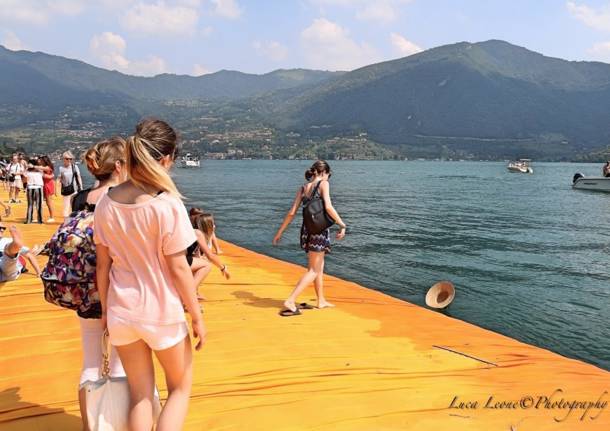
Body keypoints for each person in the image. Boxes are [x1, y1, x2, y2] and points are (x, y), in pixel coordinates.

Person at [94, 119, 205, 430]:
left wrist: (106, 312)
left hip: (121, 312)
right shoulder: (166, 205)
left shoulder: (107, 202)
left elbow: (103, 266)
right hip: (161, 313)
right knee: (179, 390)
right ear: (167, 159)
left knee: (140, 395)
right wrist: (196, 316)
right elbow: (179, 267)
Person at [72, 137, 128, 431]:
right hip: (118, 288)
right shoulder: (123, 198)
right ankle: (118, 424)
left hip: (84, 289)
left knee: (90, 361)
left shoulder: (79, 199)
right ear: (119, 166)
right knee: (121, 362)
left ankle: (89, 426)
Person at [273, 160, 347, 315]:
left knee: (318, 267)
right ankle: (291, 300)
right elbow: (328, 206)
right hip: (319, 231)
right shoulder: (323, 184)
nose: (328, 178)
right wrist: (342, 224)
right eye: (328, 175)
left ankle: (320, 300)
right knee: (313, 269)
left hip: (307, 230)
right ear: (324, 172)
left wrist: (280, 232)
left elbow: (292, 212)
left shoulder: (303, 188)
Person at [188, 208, 230, 299]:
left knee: (200, 262)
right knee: (207, 265)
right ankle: (188, 296)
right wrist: (223, 268)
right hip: (177, 261)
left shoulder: (197, 233)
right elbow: (210, 256)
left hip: (180, 260)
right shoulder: (198, 233)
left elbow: (195, 255)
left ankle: (194, 292)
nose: (214, 226)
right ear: (207, 225)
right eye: (213, 224)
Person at [58, 151, 82, 218]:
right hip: (66, 190)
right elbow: (59, 179)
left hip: (75, 189)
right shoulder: (61, 169)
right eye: (67, 158)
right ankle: (66, 221)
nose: (69, 160)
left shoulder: (75, 167)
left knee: (75, 205)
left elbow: (79, 177)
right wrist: (56, 189)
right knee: (66, 206)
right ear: (63, 159)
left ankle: (73, 221)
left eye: (70, 159)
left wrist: (81, 187)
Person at [24, 159, 44, 224]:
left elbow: (24, 174)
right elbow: (43, 172)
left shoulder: (28, 172)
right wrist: (35, 166)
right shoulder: (39, 171)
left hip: (30, 187)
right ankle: (40, 220)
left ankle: (29, 220)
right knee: (39, 205)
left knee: (30, 205)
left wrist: (27, 167)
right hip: (38, 187)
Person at [39, 156, 57, 222]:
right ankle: (50, 216)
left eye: (41, 161)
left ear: (44, 161)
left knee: (49, 202)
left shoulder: (47, 167)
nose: (40, 162)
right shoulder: (46, 167)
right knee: (47, 202)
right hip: (46, 184)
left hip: (47, 185)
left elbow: (40, 169)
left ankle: (52, 217)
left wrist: (33, 166)